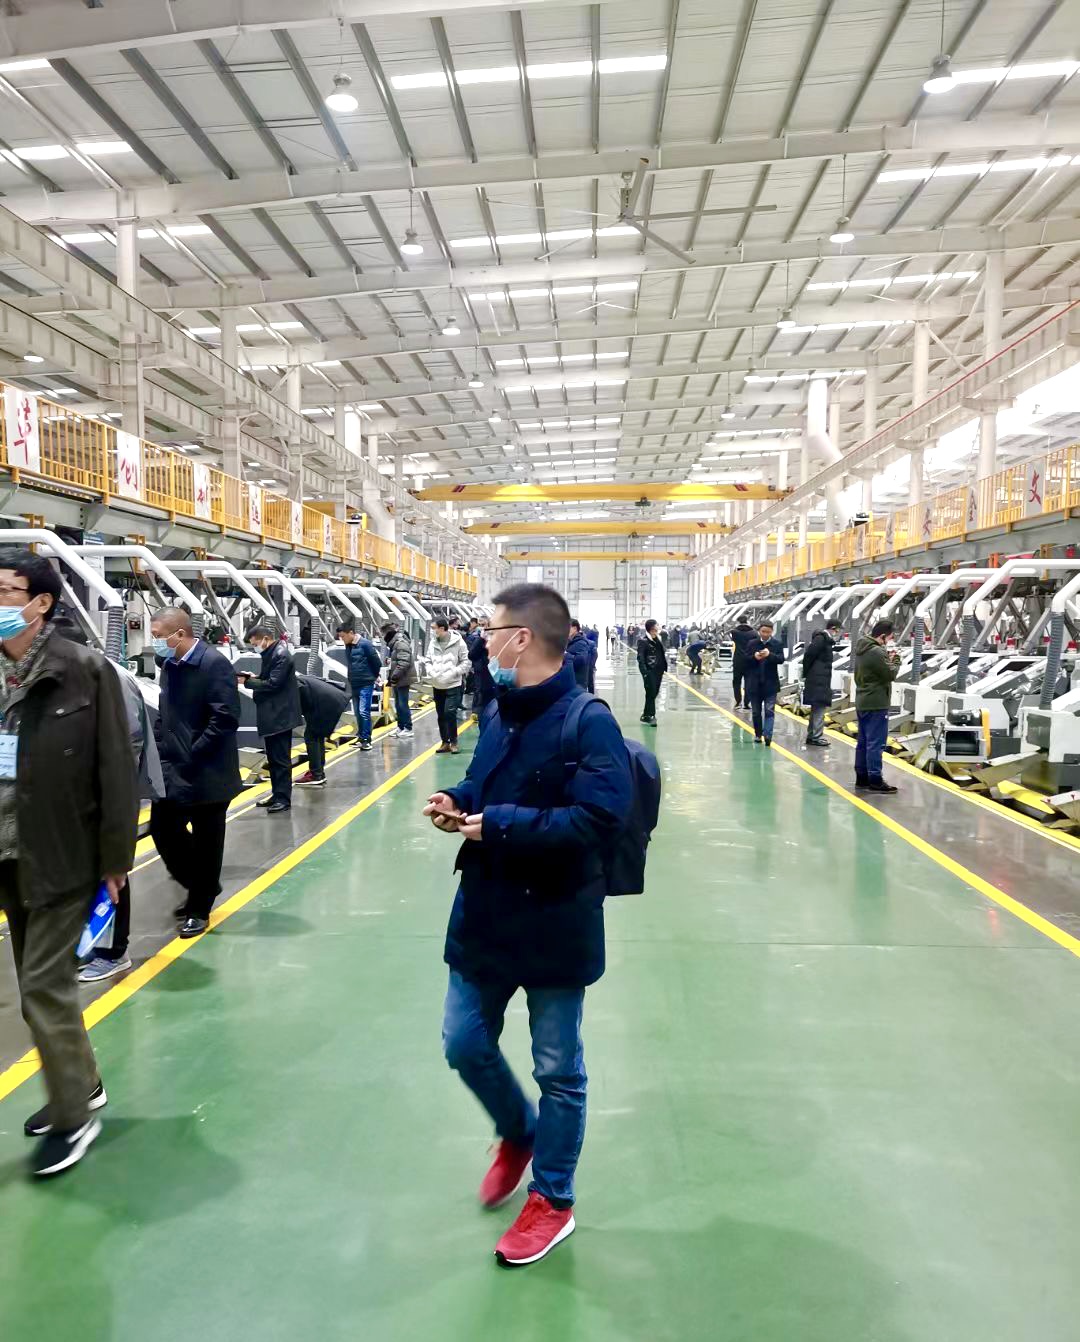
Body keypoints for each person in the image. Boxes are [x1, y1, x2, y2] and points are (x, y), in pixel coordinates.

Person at [423, 583, 632, 1267]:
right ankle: (519, 1130)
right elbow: (485, 784)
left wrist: (501, 826)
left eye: (490, 632)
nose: (483, 644)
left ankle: (553, 1198)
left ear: (521, 638)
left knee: (557, 1067)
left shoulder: (587, 722)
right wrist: (458, 800)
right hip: (486, 912)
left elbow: (601, 819)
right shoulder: (499, 710)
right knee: (463, 1043)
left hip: (554, 917)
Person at [0, 549, 138, 1175]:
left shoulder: (84, 671)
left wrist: (116, 858)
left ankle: (72, 1117)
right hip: (11, 856)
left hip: (65, 855)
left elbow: (116, 768)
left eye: (6, 591)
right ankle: (83, 1082)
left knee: (41, 989)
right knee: (40, 984)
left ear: (40, 602)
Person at [150, 607, 243, 938]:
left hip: (208, 771)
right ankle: (203, 885)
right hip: (174, 767)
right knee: (163, 830)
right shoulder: (169, 666)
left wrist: (193, 751)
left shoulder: (213, 664)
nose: (154, 642)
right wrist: (159, 746)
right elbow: (165, 711)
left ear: (180, 633)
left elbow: (226, 717)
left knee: (207, 842)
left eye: (158, 636)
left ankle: (199, 908)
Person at [79, 663, 166, 983]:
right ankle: (91, 943)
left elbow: (128, 741)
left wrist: (110, 788)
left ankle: (113, 952)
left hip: (101, 791)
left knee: (109, 869)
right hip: (67, 795)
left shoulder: (107, 675)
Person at [239, 625, 302, 814]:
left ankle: (283, 799)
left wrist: (248, 682)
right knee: (274, 759)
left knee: (280, 760)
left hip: (280, 716)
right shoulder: (272, 653)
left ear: (266, 638)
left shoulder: (280, 655)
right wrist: (254, 677)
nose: (255, 647)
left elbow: (273, 683)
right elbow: (269, 678)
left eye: (255, 643)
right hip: (273, 715)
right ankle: (277, 794)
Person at [854, 619, 900, 794]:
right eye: (889, 638)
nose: (889, 641)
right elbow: (890, 674)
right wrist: (896, 660)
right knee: (876, 743)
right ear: (882, 636)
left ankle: (862, 777)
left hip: (863, 700)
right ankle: (875, 779)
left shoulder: (862, 648)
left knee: (863, 742)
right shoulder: (876, 651)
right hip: (876, 702)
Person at [296, 673, 349, 786]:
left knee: (311, 736)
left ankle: (316, 774)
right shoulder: (298, 679)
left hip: (326, 703)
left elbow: (301, 703)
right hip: (331, 700)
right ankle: (318, 772)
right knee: (317, 735)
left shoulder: (294, 685)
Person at [337, 623, 382, 753]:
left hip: (366, 683)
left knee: (363, 711)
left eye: (343, 636)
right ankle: (361, 737)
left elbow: (376, 662)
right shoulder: (348, 645)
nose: (342, 639)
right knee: (357, 712)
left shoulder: (365, 644)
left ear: (351, 633)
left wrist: (372, 676)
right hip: (354, 683)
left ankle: (367, 740)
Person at [428, 616, 469, 754]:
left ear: (442, 628)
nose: (432, 631)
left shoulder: (458, 642)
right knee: (440, 714)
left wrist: (454, 672)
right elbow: (428, 660)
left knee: (449, 713)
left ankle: (454, 741)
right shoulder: (433, 642)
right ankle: (445, 742)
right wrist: (431, 672)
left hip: (453, 684)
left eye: (433, 628)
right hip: (437, 684)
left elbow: (466, 661)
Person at [743, 620, 785, 746]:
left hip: (770, 684)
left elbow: (781, 659)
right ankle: (758, 734)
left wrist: (769, 655)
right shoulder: (752, 644)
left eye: (768, 632)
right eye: (763, 631)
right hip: (754, 684)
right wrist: (754, 657)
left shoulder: (777, 644)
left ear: (772, 632)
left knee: (769, 710)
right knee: (756, 712)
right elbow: (745, 660)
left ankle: (768, 735)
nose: (765, 634)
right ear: (759, 631)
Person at [802, 621, 841, 749]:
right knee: (819, 707)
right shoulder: (821, 639)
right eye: (838, 630)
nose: (838, 634)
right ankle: (816, 737)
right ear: (833, 629)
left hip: (819, 678)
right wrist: (807, 673)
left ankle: (812, 735)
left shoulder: (825, 640)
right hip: (818, 680)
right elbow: (808, 655)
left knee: (816, 708)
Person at [382, 622, 415, 739]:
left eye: (383, 634)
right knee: (398, 704)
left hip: (402, 678)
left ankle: (408, 728)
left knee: (402, 704)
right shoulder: (394, 644)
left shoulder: (400, 643)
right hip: (398, 678)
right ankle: (401, 727)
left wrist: (394, 676)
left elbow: (404, 662)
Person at [636, 618, 666, 725]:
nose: (658, 626)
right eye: (657, 625)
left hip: (659, 671)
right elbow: (640, 657)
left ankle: (645, 715)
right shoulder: (643, 641)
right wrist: (645, 672)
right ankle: (651, 716)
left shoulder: (658, 638)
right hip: (649, 671)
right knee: (651, 692)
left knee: (654, 693)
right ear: (652, 628)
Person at [467, 619, 495, 718]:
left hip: (495, 677)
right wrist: (481, 639)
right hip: (482, 674)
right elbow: (471, 654)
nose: (482, 627)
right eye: (481, 625)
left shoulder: (500, 640)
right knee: (479, 694)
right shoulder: (478, 638)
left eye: (484, 625)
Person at [730, 617, 755, 709]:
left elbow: (733, 631)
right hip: (750, 661)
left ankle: (738, 702)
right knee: (749, 682)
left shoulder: (734, 632)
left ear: (738, 622)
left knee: (736, 682)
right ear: (747, 621)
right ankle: (747, 703)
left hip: (738, 661)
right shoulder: (754, 633)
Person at [565, 619, 594, 691]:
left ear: (575, 629)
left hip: (577, 685)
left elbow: (581, 660)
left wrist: (566, 655)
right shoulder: (570, 642)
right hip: (570, 683)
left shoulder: (581, 643)